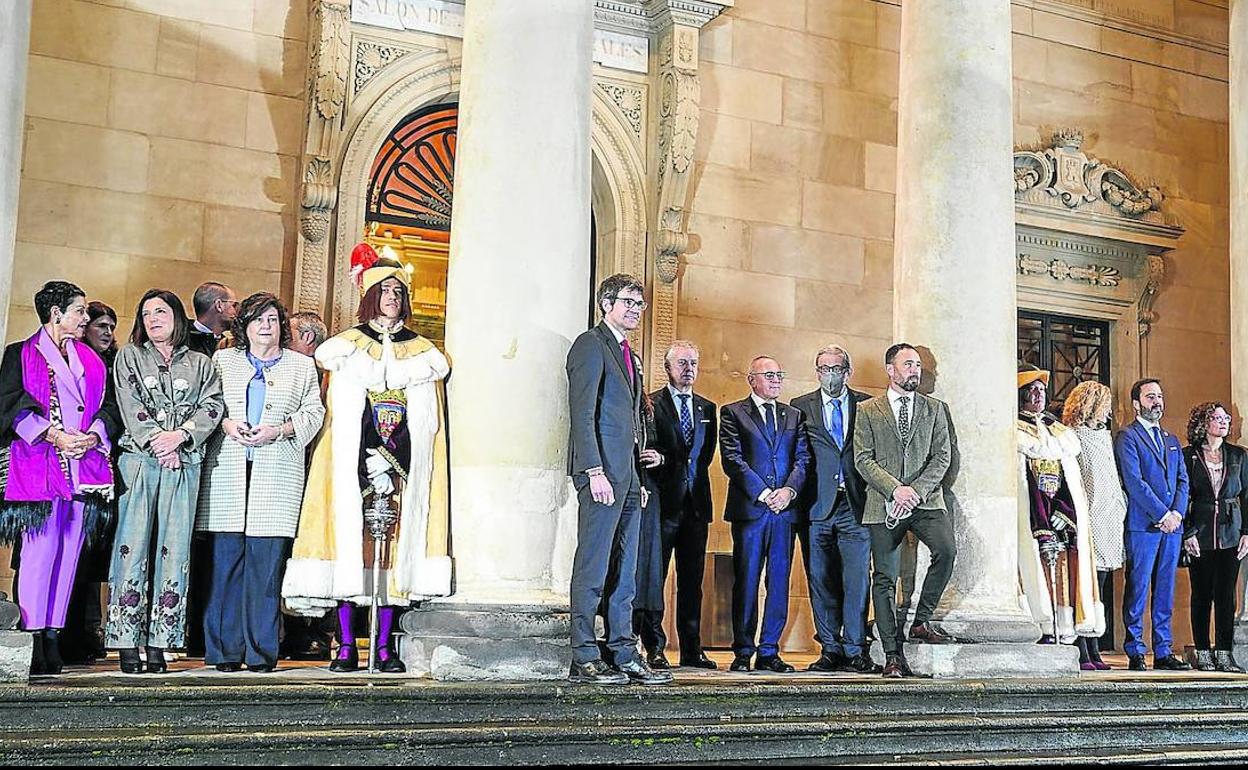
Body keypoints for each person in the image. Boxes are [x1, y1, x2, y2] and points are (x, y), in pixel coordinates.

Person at [282, 246, 452, 674]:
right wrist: (366, 455)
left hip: (401, 464)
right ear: (370, 295)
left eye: (398, 290)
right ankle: (344, 644)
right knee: (350, 547)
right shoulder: (346, 348)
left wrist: (396, 458)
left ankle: (382, 645)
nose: (393, 296)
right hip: (352, 462)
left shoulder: (423, 354)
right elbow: (338, 416)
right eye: (385, 289)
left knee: (394, 551)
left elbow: (429, 422)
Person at [196, 293, 325, 673]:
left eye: (271, 319)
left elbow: (313, 412)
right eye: (257, 320)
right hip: (228, 471)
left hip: (276, 472)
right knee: (225, 567)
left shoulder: (302, 366)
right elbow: (208, 404)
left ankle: (260, 652)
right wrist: (227, 424)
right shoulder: (223, 361)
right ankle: (223, 652)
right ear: (244, 326)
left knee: (265, 569)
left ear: (282, 326)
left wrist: (281, 429)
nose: (265, 326)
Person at [0, 281, 120, 675]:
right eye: (80, 311)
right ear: (56, 314)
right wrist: (54, 435)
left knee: (69, 554)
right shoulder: (21, 353)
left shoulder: (93, 359)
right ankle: (33, 634)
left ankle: (54, 633)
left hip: (84, 465)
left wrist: (91, 437)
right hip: (41, 463)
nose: (86, 318)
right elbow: (9, 404)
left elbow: (109, 409)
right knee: (39, 552)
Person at [106, 288, 224, 674]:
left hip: (185, 462)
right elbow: (129, 403)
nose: (153, 319)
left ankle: (161, 641)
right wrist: (161, 442)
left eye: (160, 311)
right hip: (140, 461)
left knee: (176, 548)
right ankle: (126, 640)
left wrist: (182, 437)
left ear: (177, 316)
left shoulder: (202, 363)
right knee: (132, 545)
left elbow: (213, 405)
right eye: (146, 314)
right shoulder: (129, 357)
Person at [565, 274, 669, 685]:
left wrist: (639, 478)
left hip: (628, 478)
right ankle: (584, 655)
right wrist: (593, 471)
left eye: (639, 304)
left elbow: (629, 421)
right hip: (601, 476)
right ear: (606, 303)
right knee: (593, 566)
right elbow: (583, 412)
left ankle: (624, 652)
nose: (635, 310)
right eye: (627, 301)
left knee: (626, 570)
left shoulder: (629, 354)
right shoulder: (590, 345)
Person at [853, 343, 956, 679]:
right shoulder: (868, 410)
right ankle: (892, 655)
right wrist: (895, 489)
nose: (916, 370)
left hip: (925, 501)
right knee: (883, 578)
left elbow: (942, 457)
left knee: (946, 550)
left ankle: (921, 620)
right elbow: (862, 458)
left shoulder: (935, 409)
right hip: (883, 503)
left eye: (919, 365)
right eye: (908, 364)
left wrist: (915, 491)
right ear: (890, 369)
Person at [720, 355, 810, 674]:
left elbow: (802, 460)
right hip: (752, 511)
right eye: (768, 374)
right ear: (752, 379)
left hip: (784, 513)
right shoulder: (732, 413)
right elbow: (732, 460)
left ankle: (770, 650)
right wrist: (764, 493)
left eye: (779, 374)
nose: (775, 379)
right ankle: (743, 651)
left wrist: (788, 492)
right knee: (746, 581)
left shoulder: (794, 415)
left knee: (779, 581)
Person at [791, 344, 878, 674]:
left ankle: (855, 648)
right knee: (821, 579)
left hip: (855, 505)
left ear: (847, 372)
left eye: (836, 368)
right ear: (817, 372)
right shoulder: (801, 407)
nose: (830, 375)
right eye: (824, 369)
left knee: (857, 580)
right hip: (816, 507)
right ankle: (829, 648)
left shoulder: (867, 406)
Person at [1015, 366, 1104, 669]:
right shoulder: (1015, 429)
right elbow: (1023, 478)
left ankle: (1065, 631)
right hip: (1031, 513)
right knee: (1034, 569)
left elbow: (1070, 480)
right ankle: (1039, 627)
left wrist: (1065, 513)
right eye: (1032, 391)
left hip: (1061, 512)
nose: (1038, 396)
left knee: (1067, 569)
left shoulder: (1059, 432)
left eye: (1042, 391)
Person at [640, 341, 718, 670]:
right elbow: (650, 451)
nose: (689, 368)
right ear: (668, 368)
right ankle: (654, 646)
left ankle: (691, 648)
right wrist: (663, 459)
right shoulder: (652, 404)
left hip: (696, 506)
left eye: (694, 362)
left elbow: (703, 457)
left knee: (691, 582)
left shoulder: (707, 408)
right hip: (663, 504)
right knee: (654, 578)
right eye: (683, 362)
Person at [60, 300, 121, 665]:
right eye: (100, 324)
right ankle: (53, 635)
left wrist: (96, 434)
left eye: (111, 326)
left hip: (98, 473)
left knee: (89, 563)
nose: (106, 332)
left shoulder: (110, 366)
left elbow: (113, 411)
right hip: (58, 469)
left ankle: (85, 634)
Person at [1114, 378, 1190, 671]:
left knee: (1165, 590)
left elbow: (1182, 480)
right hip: (1144, 526)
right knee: (1138, 587)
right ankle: (1135, 649)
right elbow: (1135, 482)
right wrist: (1162, 514)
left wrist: (1177, 515)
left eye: (1159, 396)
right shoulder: (1128, 437)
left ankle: (1163, 650)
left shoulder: (1171, 440)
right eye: (1150, 397)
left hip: (1172, 528)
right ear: (1136, 403)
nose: (1157, 402)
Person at [1062, 379, 1126, 670]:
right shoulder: (1074, 436)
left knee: (1100, 584)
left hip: (1110, 516)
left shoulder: (1104, 436)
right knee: (1086, 583)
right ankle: (1082, 646)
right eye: (1105, 406)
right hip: (1090, 515)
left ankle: (1095, 644)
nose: (1108, 412)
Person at [1182, 402, 1248, 673]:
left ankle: (1224, 651)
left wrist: (1247, 532)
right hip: (1201, 532)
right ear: (1203, 422)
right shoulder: (1189, 456)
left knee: (1226, 595)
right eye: (1217, 417)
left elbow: (1247, 495)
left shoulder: (1239, 455)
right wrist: (1188, 532)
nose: (1223, 422)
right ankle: (1203, 650)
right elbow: (1183, 495)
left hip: (1232, 532)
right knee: (1201, 594)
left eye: (1226, 418)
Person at [187, 282, 238, 358]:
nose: (237, 312)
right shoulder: (181, 341)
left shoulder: (230, 345)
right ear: (219, 305)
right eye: (234, 305)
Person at [83, 302, 119, 367]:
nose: (109, 333)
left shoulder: (117, 361)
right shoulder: (71, 356)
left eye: (112, 328)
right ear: (85, 327)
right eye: (102, 326)